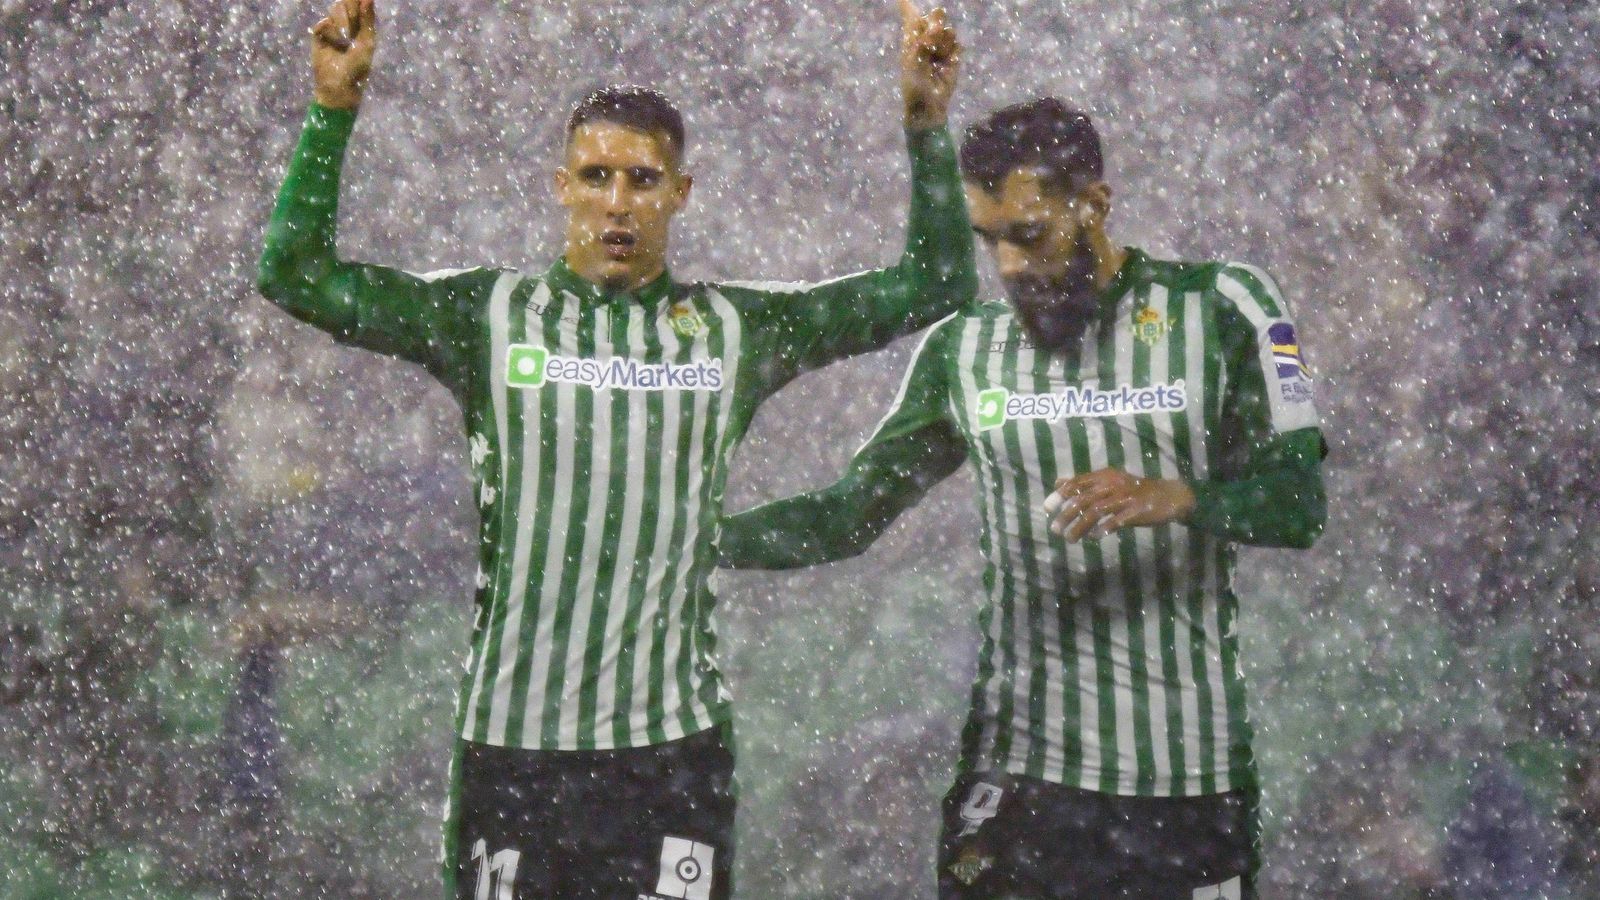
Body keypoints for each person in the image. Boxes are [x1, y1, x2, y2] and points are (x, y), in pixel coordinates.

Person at [255, 1, 974, 896]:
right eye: (596, 176)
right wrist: (332, 113)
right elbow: (293, 275)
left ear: (682, 192)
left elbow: (937, 280)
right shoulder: (484, 316)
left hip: (670, 758)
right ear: (561, 187)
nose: (618, 202)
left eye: (642, 179)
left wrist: (923, 124)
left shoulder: (735, 331)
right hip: (515, 753)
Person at [719, 98, 1327, 898]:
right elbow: (846, 515)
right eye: (990, 239)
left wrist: (1178, 496)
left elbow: (1298, 503)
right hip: (1021, 781)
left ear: (1096, 206)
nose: (1007, 266)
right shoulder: (966, 350)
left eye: (1029, 235)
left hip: (1187, 780)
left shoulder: (1223, 307)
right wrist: (692, 539)